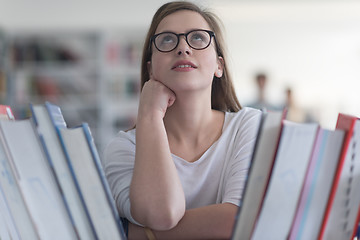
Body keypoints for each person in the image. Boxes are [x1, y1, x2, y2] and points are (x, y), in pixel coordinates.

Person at [103, 1, 262, 239]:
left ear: (219, 65)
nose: (183, 48)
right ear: (150, 70)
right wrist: (149, 114)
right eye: (167, 39)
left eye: (198, 38)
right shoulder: (124, 148)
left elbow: (241, 221)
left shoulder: (249, 126)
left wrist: (135, 233)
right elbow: (162, 214)